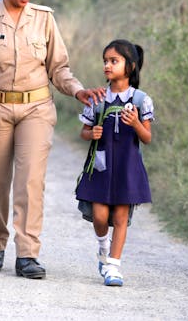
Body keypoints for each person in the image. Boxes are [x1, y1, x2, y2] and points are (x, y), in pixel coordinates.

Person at [0, 0, 103, 279]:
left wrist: (78, 90)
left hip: (36, 108)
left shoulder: (44, 19)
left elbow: (59, 68)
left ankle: (27, 254)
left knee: (31, 181)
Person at [75, 39, 155, 287]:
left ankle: (114, 267)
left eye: (114, 61)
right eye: (105, 61)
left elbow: (147, 138)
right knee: (99, 217)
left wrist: (136, 124)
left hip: (127, 167)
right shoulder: (98, 98)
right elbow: (84, 132)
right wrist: (92, 133)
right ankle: (103, 248)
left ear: (129, 66)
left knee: (120, 217)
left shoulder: (141, 100)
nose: (107, 66)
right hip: (101, 166)